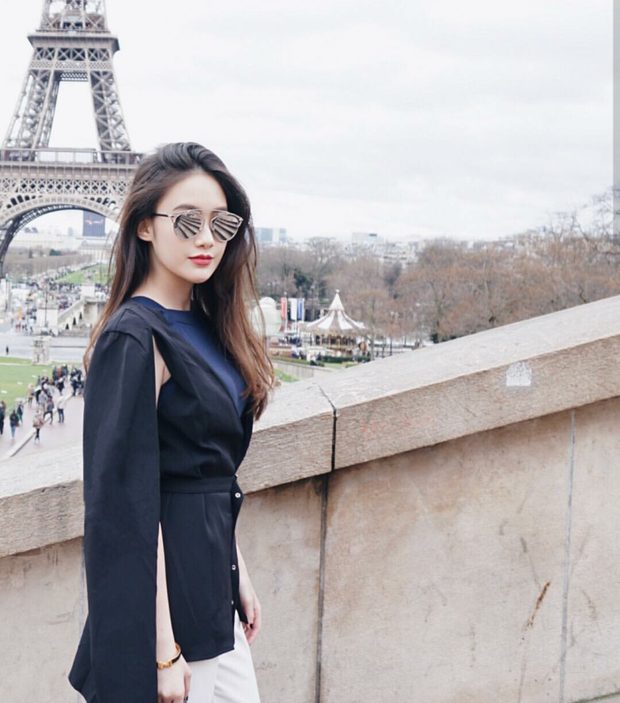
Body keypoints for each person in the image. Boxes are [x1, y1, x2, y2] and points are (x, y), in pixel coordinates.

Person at [67, 142, 275, 703]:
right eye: (187, 222)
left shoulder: (207, 324)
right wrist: (162, 650)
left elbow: (204, 471)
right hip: (171, 620)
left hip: (212, 593)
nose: (207, 239)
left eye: (221, 223)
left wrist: (238, 573)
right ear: (144, 227)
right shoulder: (134, 338)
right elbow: (126, 508)